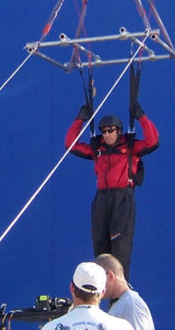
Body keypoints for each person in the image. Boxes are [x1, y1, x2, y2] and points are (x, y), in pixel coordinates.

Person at [65, 100, 159, 279]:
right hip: (102, 199)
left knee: (120, 249)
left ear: (119, 131)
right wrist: (79, 120)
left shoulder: (130, 147)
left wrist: (141, 116)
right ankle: (100, 291)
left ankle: (120, 294)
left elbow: (153, 141)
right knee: (100, 248)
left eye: (111, 131)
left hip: (122, 199)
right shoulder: (97, 148)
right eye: (104, 131)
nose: (107, 135)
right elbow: (70, 144)